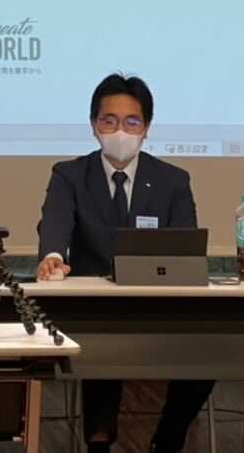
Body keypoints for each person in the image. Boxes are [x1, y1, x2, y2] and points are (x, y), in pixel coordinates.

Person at [35, 73, 214, 453]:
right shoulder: (69, 175)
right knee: (103, 343)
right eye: (109, 120)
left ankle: (168, 438)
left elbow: (186, 248)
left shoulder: (173, 180)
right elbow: (55, 223)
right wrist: (53, 257)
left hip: (161, 306)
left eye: (132, 122)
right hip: (95, 310)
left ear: (146, 128)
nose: (120, 131)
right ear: (93, 125)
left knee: (209, 350)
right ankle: (99, 442)